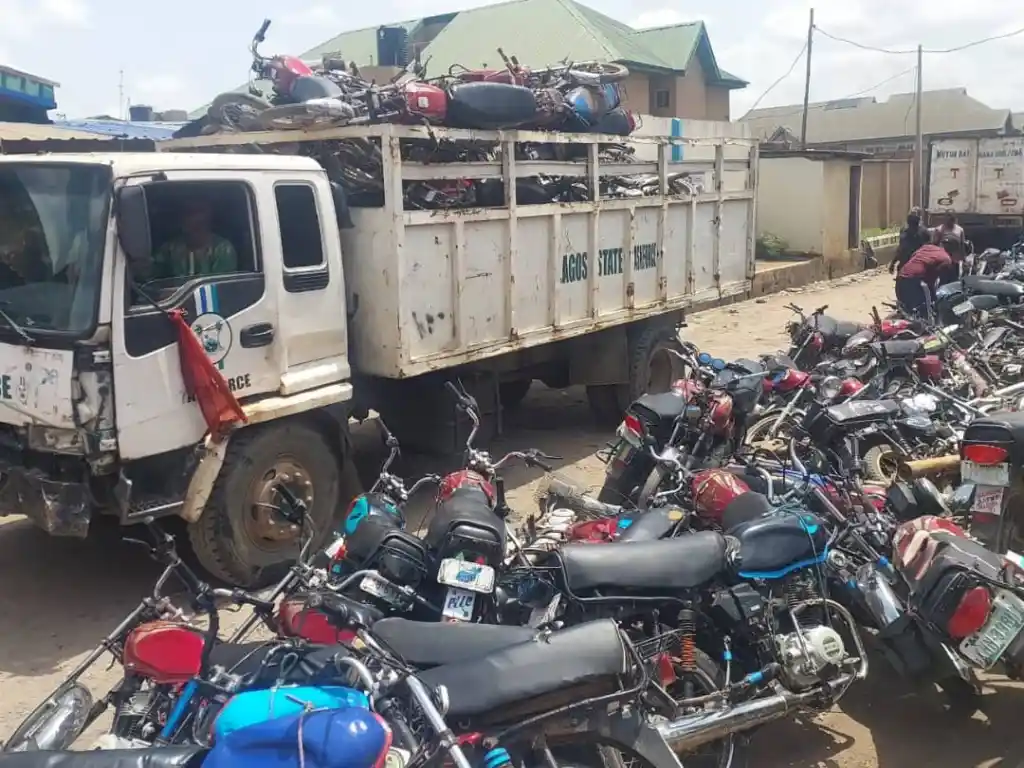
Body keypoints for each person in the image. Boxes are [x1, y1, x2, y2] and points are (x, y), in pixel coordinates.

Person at [140, 197, 238, 281]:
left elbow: (220, 289)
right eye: (186, 213)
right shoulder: (171, 247)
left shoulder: (223, 249)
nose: (188, 218)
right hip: (171, 302)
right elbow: (151, 274)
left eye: (194, 213)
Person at [896, 241, 954, 317]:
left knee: (906, 310)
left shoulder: (927, 247)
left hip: (901, 277)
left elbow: (913, 256)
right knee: (924, 313)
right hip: (914, 282)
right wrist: (933, 297)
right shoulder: (946, 259)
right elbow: (931, 279)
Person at [889, 207, 931, 275]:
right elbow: (900, 248)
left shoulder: (924, 232)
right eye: (910, 218)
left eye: (913, 219)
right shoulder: (904, 231)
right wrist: (893, 263)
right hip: (904, 266)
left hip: (918, 266)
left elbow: (928, 250)